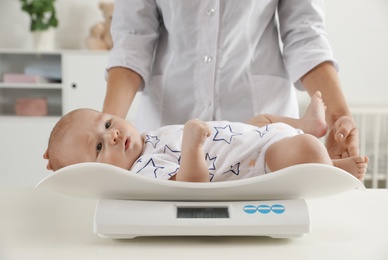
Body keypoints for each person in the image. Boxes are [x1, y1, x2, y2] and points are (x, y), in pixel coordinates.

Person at [103, 1, 360, 161]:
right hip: (169, 127)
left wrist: (338, 116)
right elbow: (132, 43)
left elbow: (305, 37)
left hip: (260, 124)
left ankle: (307, 127)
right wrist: (102, 134)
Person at [43, 92, 368, 182]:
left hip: (252, 136)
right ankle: (334, 169)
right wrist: (193, 145)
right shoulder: (143, 171)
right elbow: (190, 184)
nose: (112, 135)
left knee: (261, 118)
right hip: (255, 160)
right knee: (307, 150)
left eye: (108, 122)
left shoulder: (146, 138)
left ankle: (305, 122)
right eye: (99, 146)